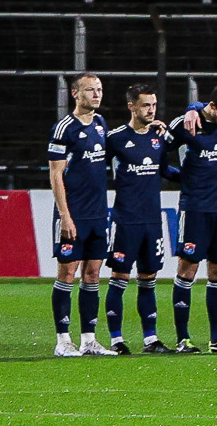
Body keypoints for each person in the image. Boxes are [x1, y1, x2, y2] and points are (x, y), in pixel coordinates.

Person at [166, 86, 217, 352]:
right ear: (212, 105)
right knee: (187, 270)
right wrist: (179, 175)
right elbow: (154, 151)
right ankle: (182, 339)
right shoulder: (187, 124)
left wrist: (194, 105)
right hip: (195, 208)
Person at [47, 73, 114, 356]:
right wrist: (65, 215)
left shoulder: (100, 125)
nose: (97, 94)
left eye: (99, 89)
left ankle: (88, 340)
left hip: (98, 213)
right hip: (73, 214)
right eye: (90, 90)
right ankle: (63, 340)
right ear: (76, 93)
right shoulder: (64, 128)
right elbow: (55, 173)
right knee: (68, 272)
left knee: (92, 274)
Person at [103, 83, 173, 354]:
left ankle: (151, 339)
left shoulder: (158, 138)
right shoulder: (116, 138)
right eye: (145, 105)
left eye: (153, 105)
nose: (151, 110)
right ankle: (116, 340)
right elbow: (97, 170)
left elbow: (166, 170)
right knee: (119, 277)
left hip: (152, 221)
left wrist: (199, 174)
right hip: (125, 219)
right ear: (131, 106)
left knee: (149, 277)